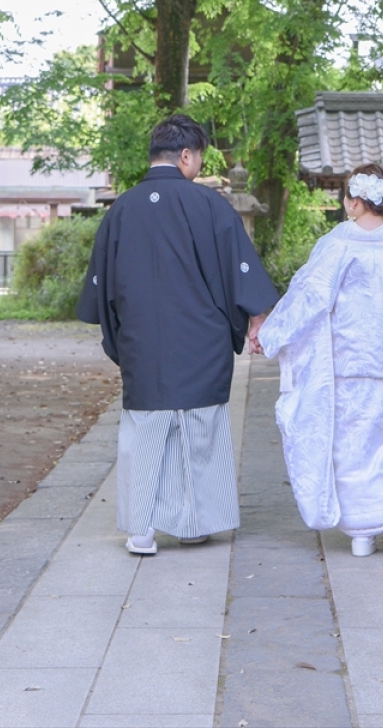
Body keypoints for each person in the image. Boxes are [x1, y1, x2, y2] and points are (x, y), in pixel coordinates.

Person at [76, 114, 278, 555]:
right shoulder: (209, 206)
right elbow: (238, 268)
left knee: (146, 431)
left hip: (143, 341)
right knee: (199, 429)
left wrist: (123, 333)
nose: (199, 165)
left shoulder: (121, 209)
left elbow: (102, 289)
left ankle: (141, 531)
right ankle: (192, 525)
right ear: (186, 155)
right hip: (200, 340)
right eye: (199, 157)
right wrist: (256, 318)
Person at [257, 163, 383, 557]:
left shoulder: (337, 245)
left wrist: (273, 334)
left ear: (355, 201)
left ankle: (361, 534)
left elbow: (310, 297)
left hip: (348, 364)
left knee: (353, 446)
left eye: (346, 198)